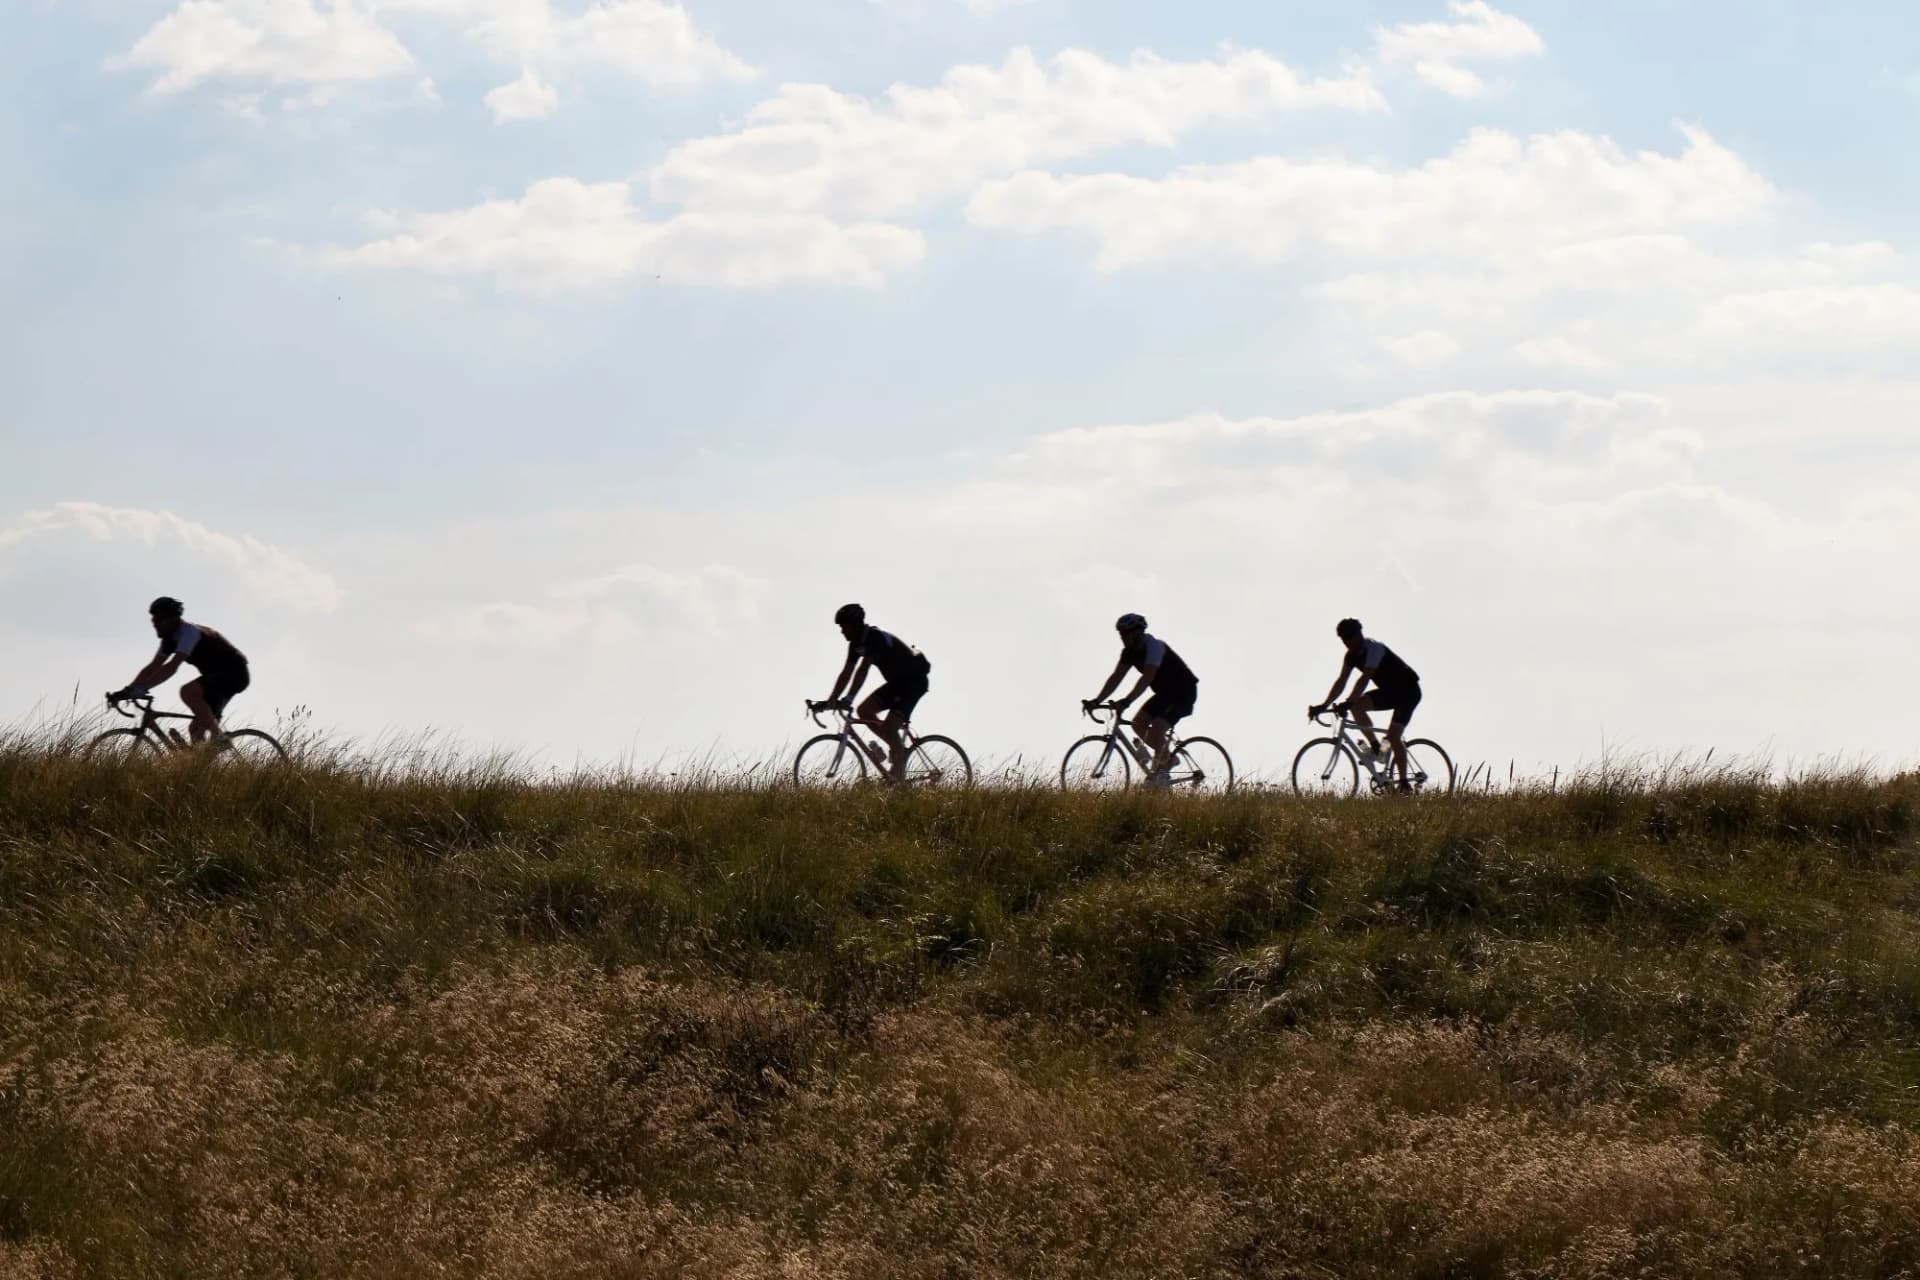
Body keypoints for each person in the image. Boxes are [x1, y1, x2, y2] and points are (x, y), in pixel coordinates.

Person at [109, 597, 252, 747]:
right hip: (216, 678)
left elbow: (172, 666)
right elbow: (153, 667)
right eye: (153, 620)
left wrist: (143, 688)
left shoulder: (189, 633)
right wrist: (128, 690)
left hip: (235, 672)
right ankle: (201, 761)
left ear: (173, 618)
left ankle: (219, 737)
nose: (155, 624)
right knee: (196, 730)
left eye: (159, 620)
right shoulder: (169, 640)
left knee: (187, 691)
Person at [815, 603, 931, 781]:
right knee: (864, 711)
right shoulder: (855, 644)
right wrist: (832, 699)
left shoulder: (874, 637)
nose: (842, 631)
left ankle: (898, 775)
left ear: (855, 625)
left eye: (844, 626)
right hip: (897, 684)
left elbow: (862, 670)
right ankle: (896, 749)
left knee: (890, 728)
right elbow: (846, 672)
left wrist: (849, 698)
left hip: (913, 683)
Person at [1084, 613, 1199, 789]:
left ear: (1137, 632)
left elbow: (1147, 678)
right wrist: (1096, 700)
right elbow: (1116, 677)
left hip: (1183, 692)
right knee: (1138, 724)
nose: (1122, 637)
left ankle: (1165, 765)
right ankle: (1168, 759)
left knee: (1157, 729)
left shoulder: (1154, 647)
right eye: (1120, 634)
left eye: (1125, 633)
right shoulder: (1128, 652)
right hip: (1164, 694)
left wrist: (1127, 701)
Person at [1310, 617, 1421, 790]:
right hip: (1389, 692)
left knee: (1393, 736)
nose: (1347, 643)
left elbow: (1365, 678)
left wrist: (1349, 701)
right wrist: (1324, 705)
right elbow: (1341, 681)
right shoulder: (1350, 656)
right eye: (1344, 639)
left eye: (1349, 638)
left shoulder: (1374, 648)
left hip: (1408, 691)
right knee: (1357, 707)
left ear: (1359, 634)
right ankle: (1377, 748)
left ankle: (1404, 784)